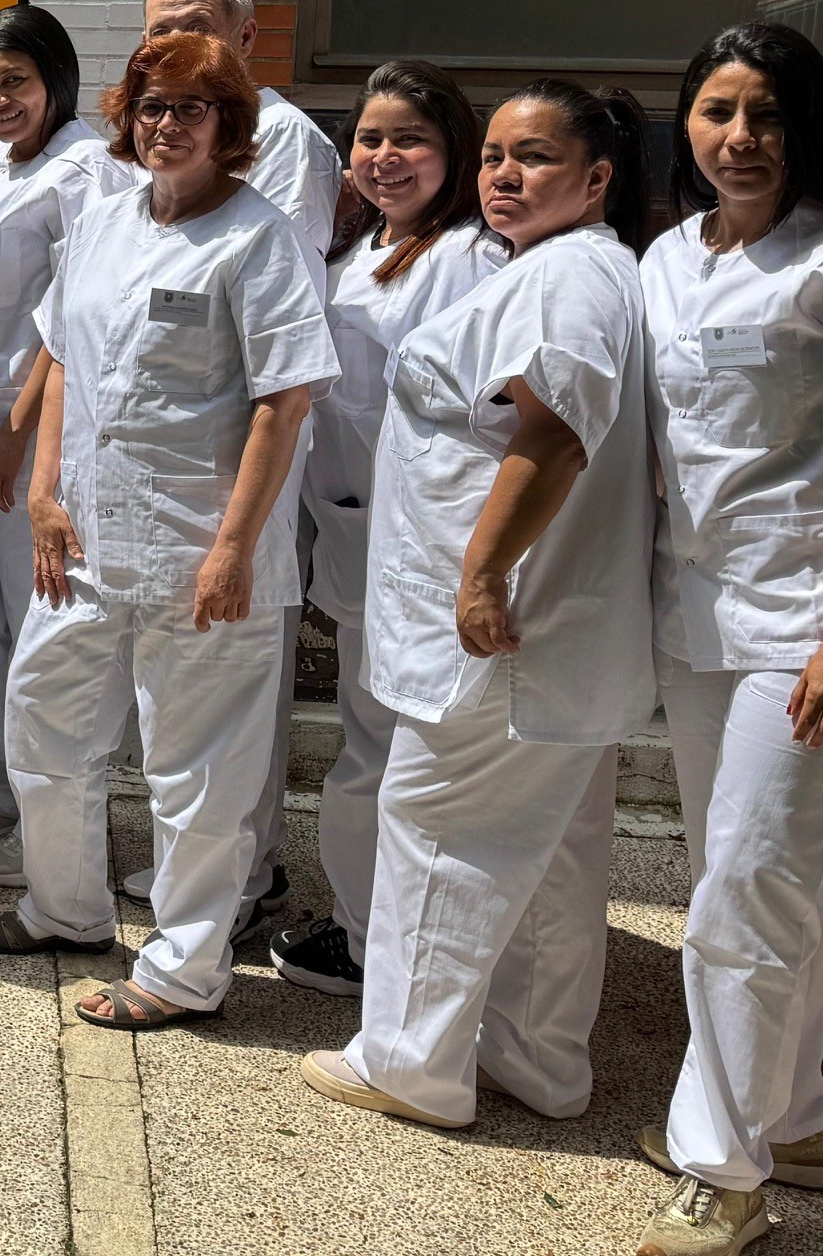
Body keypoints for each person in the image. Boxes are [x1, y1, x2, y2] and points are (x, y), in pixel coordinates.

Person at [301, 80, 654, 1130]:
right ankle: (535, 1059)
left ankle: (408, 1063)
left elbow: (556, 434)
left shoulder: (567, 278)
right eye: (496, 155)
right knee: (547, 854)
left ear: (596, 177)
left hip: (503, 630)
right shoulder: (570, 267)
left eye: (534, 157)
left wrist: (482, 573)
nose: (505, 174)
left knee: (437, 826)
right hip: (547, 633)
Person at [0, 31, 337, 1034]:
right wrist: (42, 493)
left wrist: (233, 547)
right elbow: (61, 359)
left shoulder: (256, 239)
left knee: (197, 774)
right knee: (42, 724)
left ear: (229, 125)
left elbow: (284, 401)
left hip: (199, 555)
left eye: (189, 108)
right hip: (82, 541)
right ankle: (64, 908)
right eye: (150, 106)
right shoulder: (104, 219)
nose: (166, 124)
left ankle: (184, 970)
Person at [630, 23, 823, 1256]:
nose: (739, 137)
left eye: (767, 114)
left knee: (744, 891)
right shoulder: (665, 256)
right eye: (716, 111)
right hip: (691, 615)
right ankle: (791, 1115)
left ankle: (723, 1173)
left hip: (800, 618)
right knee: (752, 873)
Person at [269, 60, 499, 998]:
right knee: (371, 741)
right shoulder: (359, 247)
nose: (385, 156)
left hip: (426, 545)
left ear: (455, 150)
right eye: (370, 138)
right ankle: (372, 930)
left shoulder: (471, 258)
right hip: (359, 532)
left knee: (399, 753)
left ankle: (381, 948)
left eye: (411, 139)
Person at [128, 0, 343, 927]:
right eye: (158, 29)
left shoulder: (281, 140)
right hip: (169, 452)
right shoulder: (158, 134)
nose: (175, 43)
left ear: (246, 37)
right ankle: (205, 872)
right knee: (185, 689)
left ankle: (246, 880)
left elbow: (264, 309)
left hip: (242, 441)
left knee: (233, 677)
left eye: (197, 24)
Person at [0, 4, 123, 876]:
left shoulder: (85, 171)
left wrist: (15, 438)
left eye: (15, 81)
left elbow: (74, 318)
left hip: (32, 441)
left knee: (41, 634)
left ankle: (61, 836)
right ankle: (15, 799)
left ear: (57, 80)